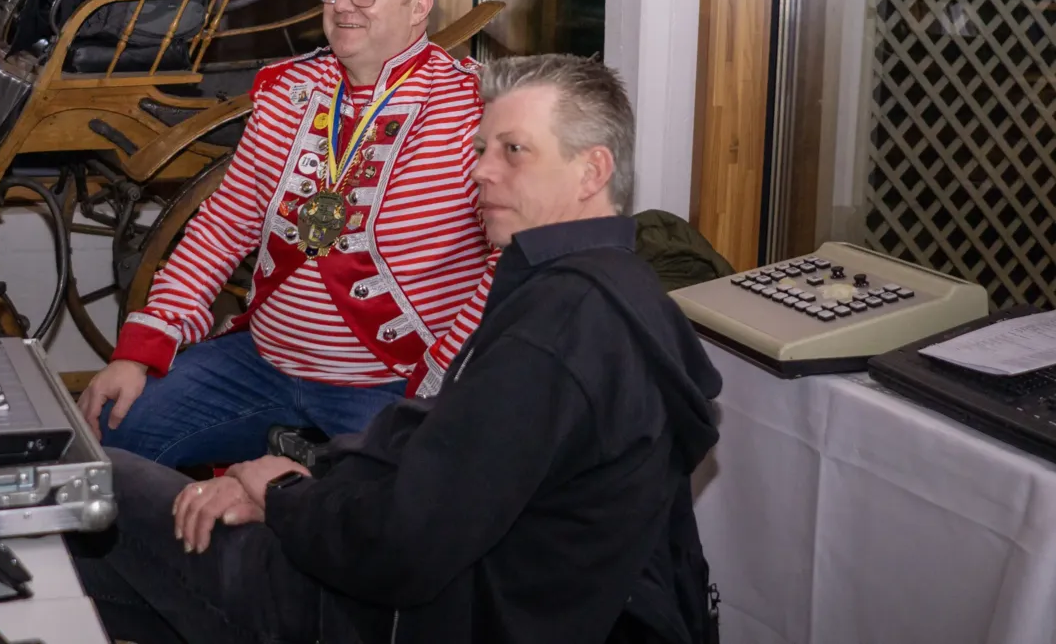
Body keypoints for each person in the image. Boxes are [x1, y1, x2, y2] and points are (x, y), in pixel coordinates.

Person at [68, 54, 725, 644]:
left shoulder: (554, 332)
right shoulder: (618, 288)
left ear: (593, 170)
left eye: (514, 151)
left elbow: (406, 544)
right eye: (480, 148)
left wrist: (282, 494)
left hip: (402, 615)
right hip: (467, 589)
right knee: (131, 573)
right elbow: (439, 464)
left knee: (106, 488)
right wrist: (311, 476)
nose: (480, 171)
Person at [76, 0, 497, 465]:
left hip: (392, 384)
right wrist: (137, 352)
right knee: (113, 434)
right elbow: (223, 228)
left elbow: (508, 257)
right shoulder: (288, 92)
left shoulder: (470, 107)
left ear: (418, 6)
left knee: (396, 507)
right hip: (261, 363)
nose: (343, 4)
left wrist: (446, 378)